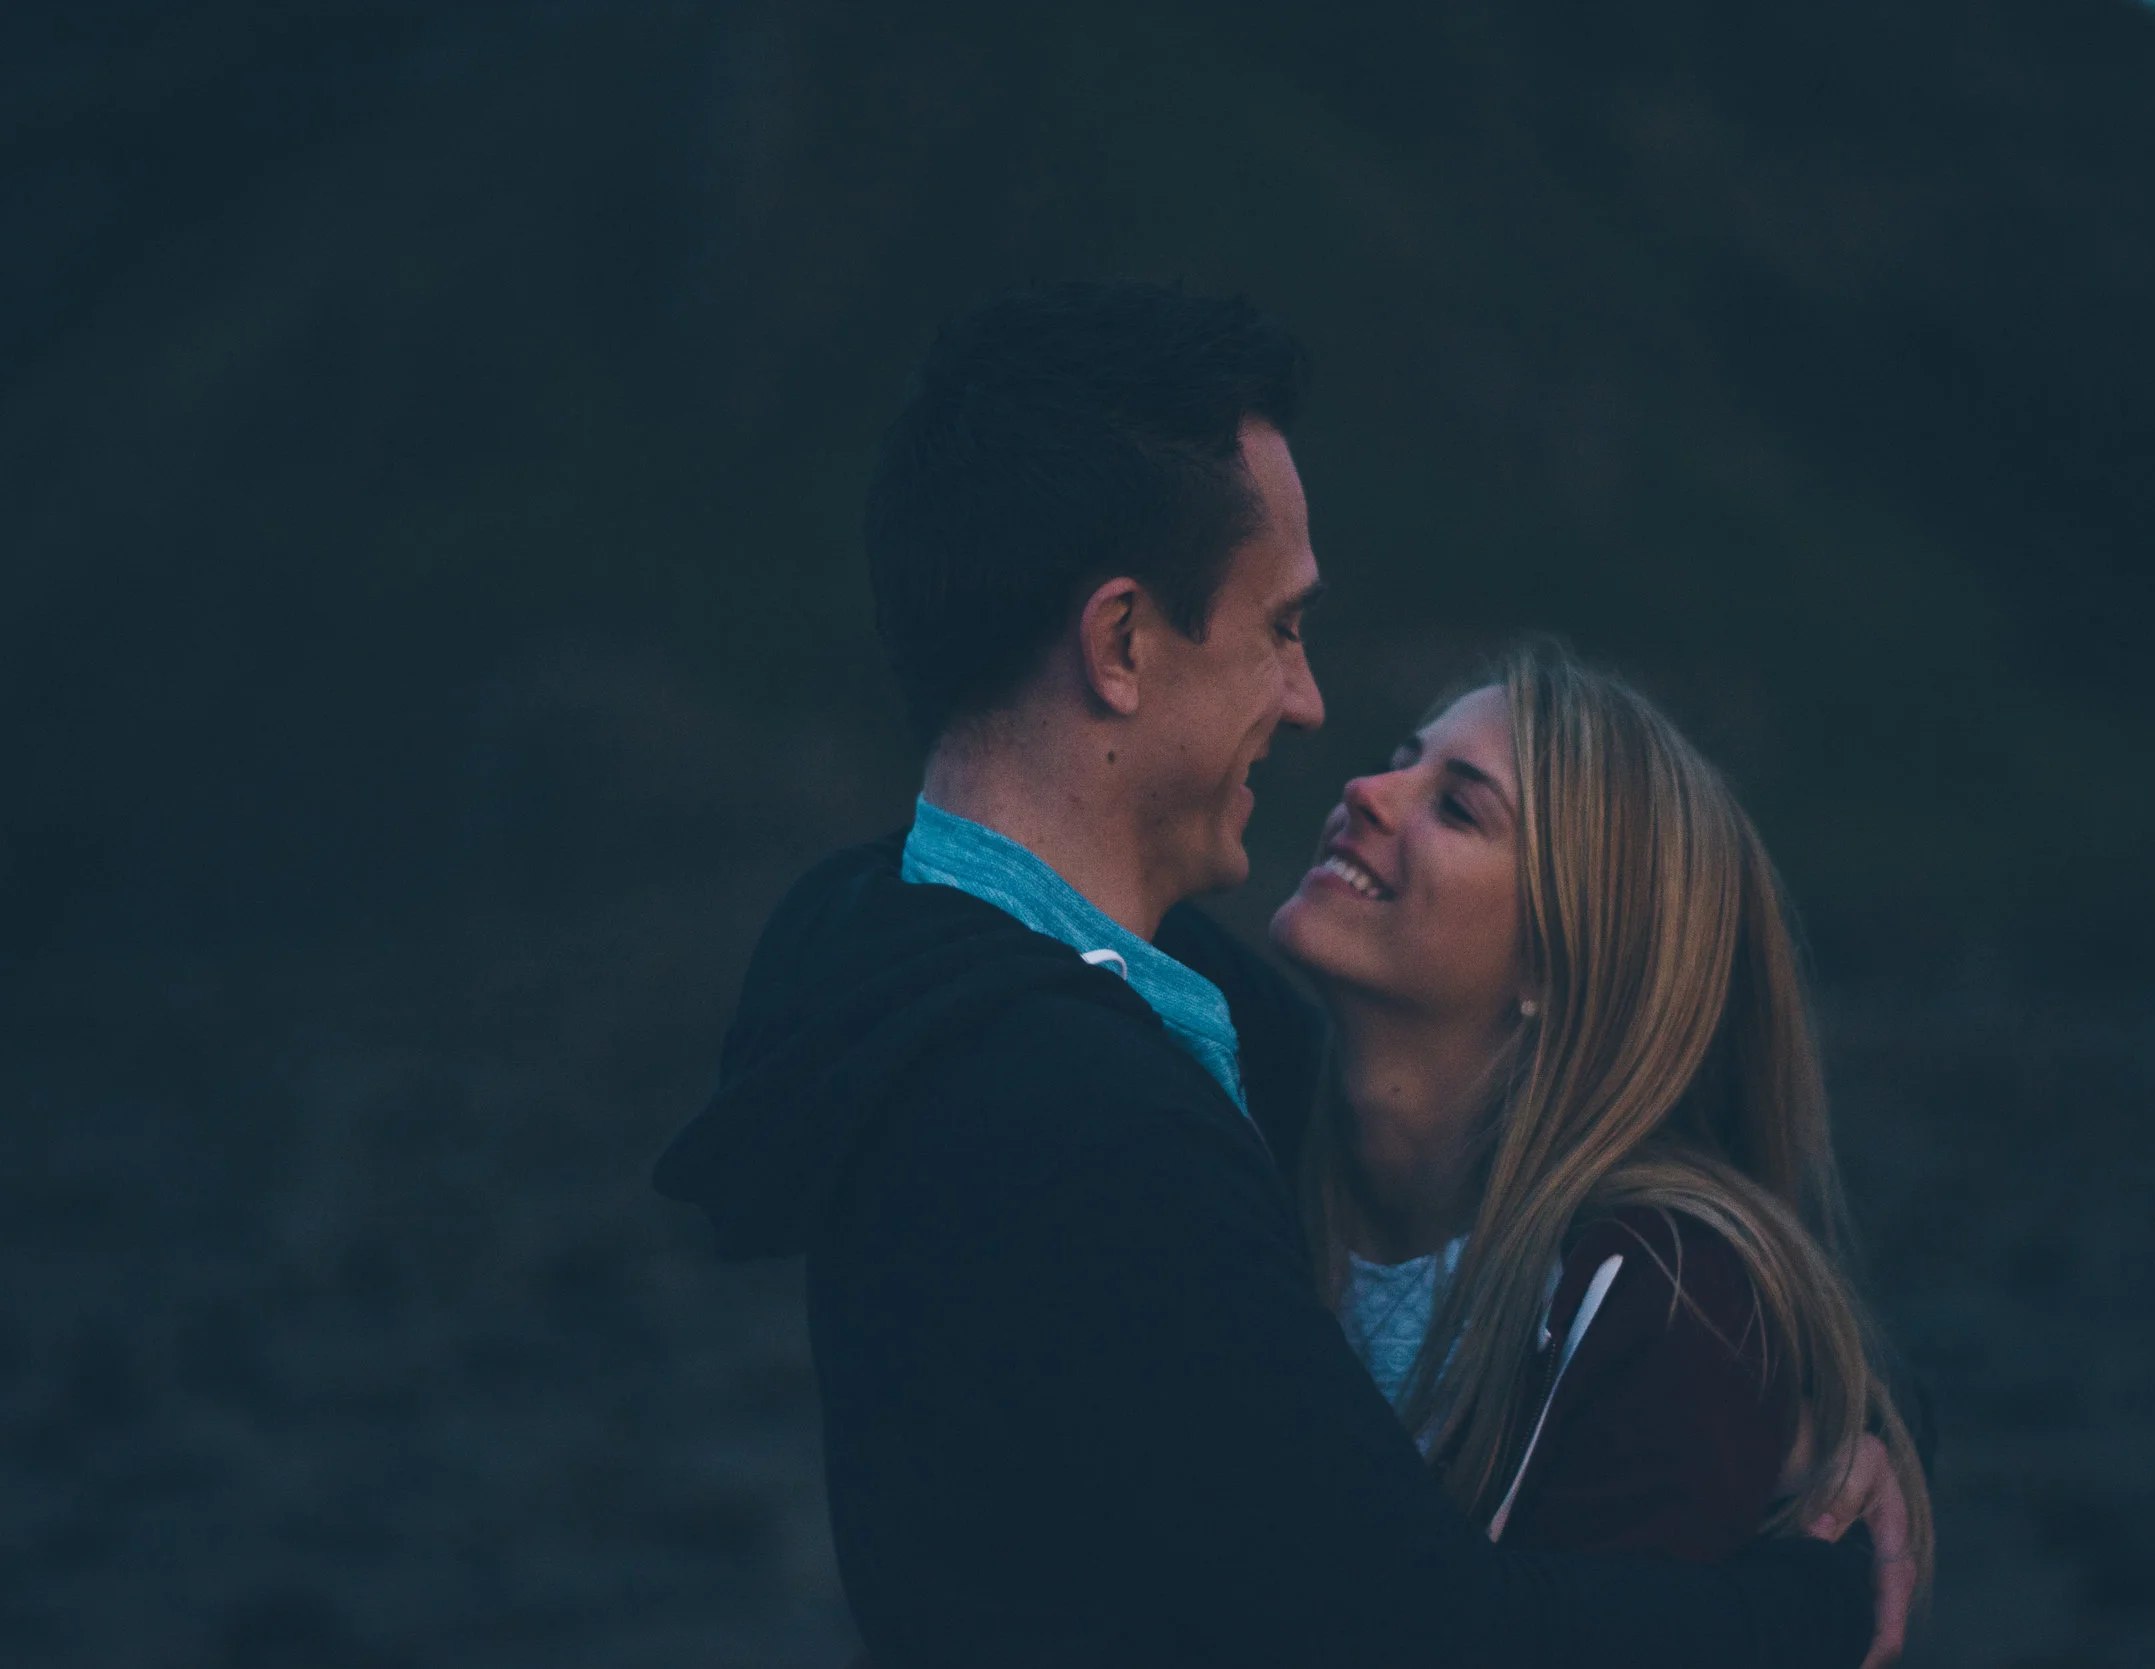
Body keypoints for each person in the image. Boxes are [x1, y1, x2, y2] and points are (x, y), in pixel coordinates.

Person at [653, 281, 1906, 1667]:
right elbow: (1419, 1632)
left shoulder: (975, 969)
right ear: (1122, 643)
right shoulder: (1072, 1111)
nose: (1312, 708)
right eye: (1282, 628)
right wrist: (1816, 1604)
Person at [1270, 641, 1933, 1596]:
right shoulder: (1234, 1135)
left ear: (1558, 959)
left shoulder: (1668, 1304)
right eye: (1402, 755)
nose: (1370, 789)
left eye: (1458, 805)